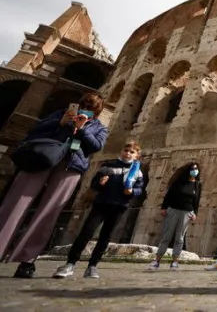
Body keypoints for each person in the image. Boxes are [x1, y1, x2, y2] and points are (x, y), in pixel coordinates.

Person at [0, 92, 108, 279]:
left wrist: (81, 129)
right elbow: (35, 131)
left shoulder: (99, 127)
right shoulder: (60, 114)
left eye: (91, 108)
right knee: (14, 204)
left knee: (48, 213)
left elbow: (96, 147)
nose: (86, 110)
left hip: (70, 166)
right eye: (84, 106)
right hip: (41, 158)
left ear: (97, 112)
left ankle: (27, 260)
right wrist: (60, 123)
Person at [53, 141, 144, 279]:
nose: (128, 153)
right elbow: (94, 184)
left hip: (119, 206)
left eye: (132, 152)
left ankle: (92, 266)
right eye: (126, 150)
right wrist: (100, 183)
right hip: (101, 203)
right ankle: (70, 263)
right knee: (86, 233)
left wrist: (131, 192)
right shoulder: (108, 166)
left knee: (105, 237)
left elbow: (139, 189)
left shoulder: (137, 172)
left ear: (137, 156)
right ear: (121, 151)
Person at [148, 162, 202, 271]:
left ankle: (175, 262)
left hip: (187, 212)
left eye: (196, 169)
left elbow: (196, 200)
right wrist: (164, 207)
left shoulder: (197, 184)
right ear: (188, 170)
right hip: (173, 210)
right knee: (167, 236)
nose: (194, 171)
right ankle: (157, 260)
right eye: (192, 168)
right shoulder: (179, 182)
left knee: (180, 238)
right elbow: (169, 195)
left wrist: (195, 213)